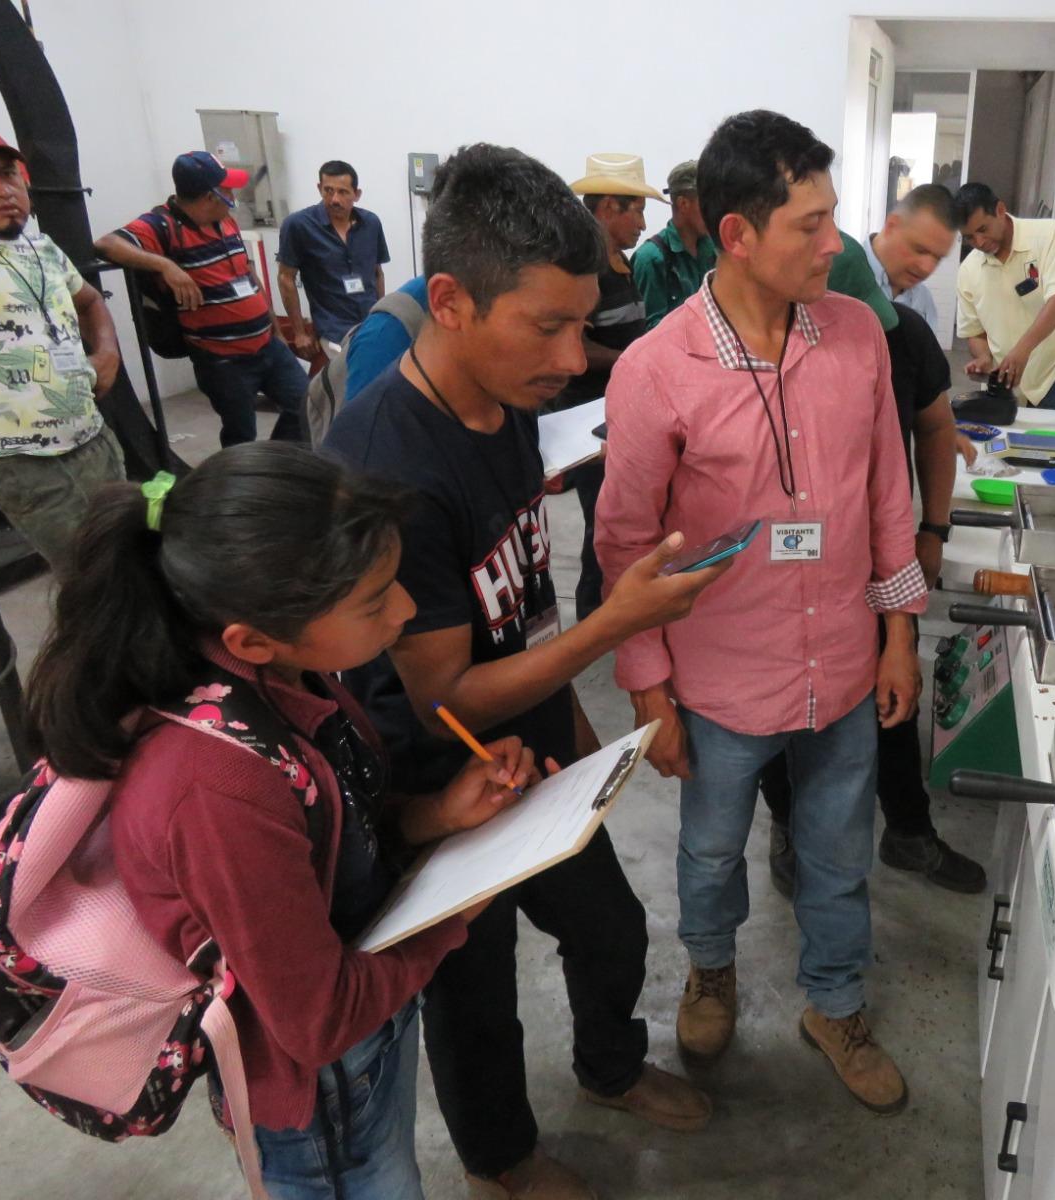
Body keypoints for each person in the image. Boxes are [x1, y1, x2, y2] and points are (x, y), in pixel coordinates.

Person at [326, 143, 725, 1200]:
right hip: (437, 780)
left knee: (608, 925)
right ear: (449, 301)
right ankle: (500, 1159)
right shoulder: (389, 468)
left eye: (579, 322)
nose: (569, 355)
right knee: (474, 987)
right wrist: (617, 628)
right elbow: (441, 695)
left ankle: (607, 1067)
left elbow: (522, 599)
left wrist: (577, 740)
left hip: (530, 743)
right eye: (544, 325)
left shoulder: (502, 409)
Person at [24, 443, 548, 1199]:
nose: (405, 610)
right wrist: (461, 908)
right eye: (375, 601)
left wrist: (436, 816)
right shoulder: (216, 789)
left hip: (369, 1013)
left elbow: (329, 836)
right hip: (321, 1100)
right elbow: (319, 1023)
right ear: (251, 639)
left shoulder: (292, 674)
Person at [594, 110, 925, 1115]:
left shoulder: (857, 335)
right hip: (721, 678)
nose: (835, 245)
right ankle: (710, 972)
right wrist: (649, 689)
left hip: (840, 661)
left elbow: (885, 496)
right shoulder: (656, 368)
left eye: (835, 220)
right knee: (706, 852)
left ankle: (834, 1003)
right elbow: (623, 546)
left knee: (835, 854)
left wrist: (897, 632)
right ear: (738, 234)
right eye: (810, 226)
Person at [760, 294, 985, 895]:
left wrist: (931, 531)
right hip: (779, 581)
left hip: (871, 560)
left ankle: (908, 831)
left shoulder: (898, 332)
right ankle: (787, 823)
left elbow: (929, 434)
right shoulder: (761, 343)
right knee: (774, 710)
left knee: (889, 701)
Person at [95, 151, 308, 447]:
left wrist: (275, 330)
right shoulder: (162, 225)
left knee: (308, 405)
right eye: (228, 189)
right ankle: (241, 481)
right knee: (241, 435)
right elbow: (106, 245)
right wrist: (165, 265)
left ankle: (272, 463)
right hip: (224, 361)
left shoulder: (227, 221)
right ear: (210, 196)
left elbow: (249, 277)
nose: (233, 194)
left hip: (267, 345)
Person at [0, 127, 124, 575]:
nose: (3, 189)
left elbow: (90, 301)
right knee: (90, 579)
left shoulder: (42, 248)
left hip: (91, 436)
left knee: (129, 554)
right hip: (23, 461)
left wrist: (106, 352)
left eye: (8, 173)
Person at [557, 153, 662, 622]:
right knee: (603, 520)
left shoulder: (619, 264)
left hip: (614, 413)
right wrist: (630, 361)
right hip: (587, 421)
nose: (642, 222)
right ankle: (594, 617)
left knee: (617, 515)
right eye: (634, 209)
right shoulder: (585, 271)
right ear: (604, 210)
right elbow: (574, 344)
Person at [953, 181, 1055, 410]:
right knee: (1003, 441)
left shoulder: (1049, 235)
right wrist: (984, 358)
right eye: (969, 237)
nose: (979, 243)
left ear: (999, 210)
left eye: (983, 230)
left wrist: (1021, 351)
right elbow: (974, 332)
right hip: (1006, 375)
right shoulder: (968, 271)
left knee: (1046, 440)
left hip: (1052, 367)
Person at [277, 159, 391, 358]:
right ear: (319, 188)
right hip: (333, 332)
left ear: (357, 194)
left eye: (343, 192)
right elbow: (285, 278)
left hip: (370, 325)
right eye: (328, 191)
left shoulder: (371, 223)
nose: (334, 199)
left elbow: (377, 274)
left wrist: (382, 317)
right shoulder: (299, 225)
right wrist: (299, 332)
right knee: (349, 385)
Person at [631, 160, 717, 329]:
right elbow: (650, 332)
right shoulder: (650, 259)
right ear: (683, 204)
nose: (715, 211)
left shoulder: (716, 252)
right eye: (708, 203)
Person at [864, 182, 957, 331]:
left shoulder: (924, 301)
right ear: (891, 226)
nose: (927, 268)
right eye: (919, 250)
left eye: (937, 258)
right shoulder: (839, 275)